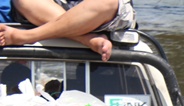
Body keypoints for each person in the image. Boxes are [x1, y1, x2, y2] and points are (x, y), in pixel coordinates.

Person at [0, 0, 135, 62]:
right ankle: (86, 39)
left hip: (99, 11)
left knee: (108, 2)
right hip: (53, 7)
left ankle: (26, 36)